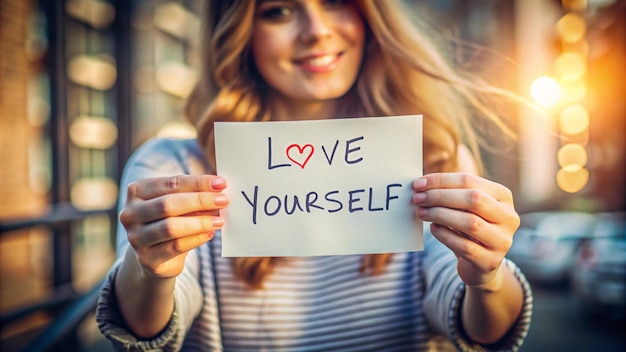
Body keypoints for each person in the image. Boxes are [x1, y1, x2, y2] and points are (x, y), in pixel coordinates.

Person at [96, 0, 532, 351]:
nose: (316, 30)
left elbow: (478, 328)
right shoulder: (171, 167)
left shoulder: (434, 153)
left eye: (335, 1)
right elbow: (145, 332)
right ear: (237, 33)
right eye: (279, 10)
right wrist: (151, 269)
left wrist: (488, 276)